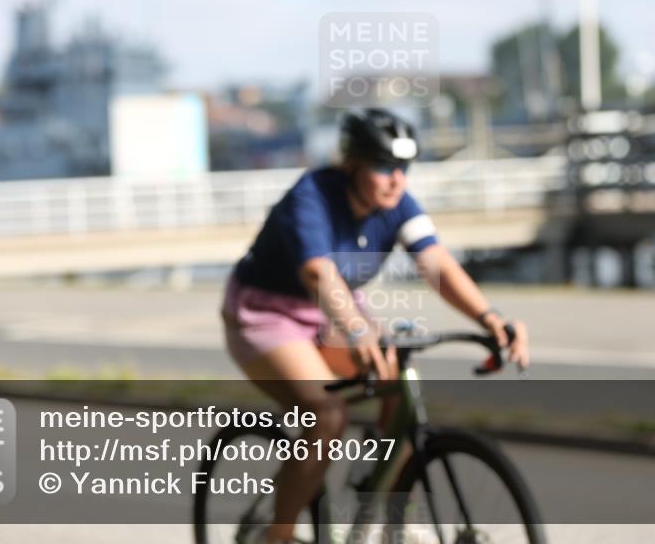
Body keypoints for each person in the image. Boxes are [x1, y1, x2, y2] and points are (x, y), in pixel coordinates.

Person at [220, 107, 530, 544]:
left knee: (399, 386)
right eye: (384, 167)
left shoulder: (398, 205)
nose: (396, 179)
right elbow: (317, 273)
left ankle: (386, 514)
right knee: (327, 415)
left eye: (404, 167)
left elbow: (437, 263)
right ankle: (278, 534)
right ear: (352, 164)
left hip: (335, 309)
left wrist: (489, 317)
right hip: (268, 314)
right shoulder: (312, 196)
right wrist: (356, 328)